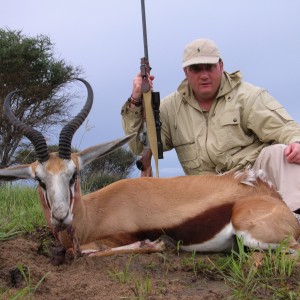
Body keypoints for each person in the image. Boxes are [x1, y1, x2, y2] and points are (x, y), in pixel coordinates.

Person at [121, 38, 300, 215]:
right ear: (185, 71)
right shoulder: (169, 108)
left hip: (251, 181)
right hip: (205, 194)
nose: (204, 75)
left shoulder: (248, 97)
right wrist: (136, 101)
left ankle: (295, 220)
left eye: (209, 67)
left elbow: (287, 129)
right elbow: (139, 146)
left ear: (221, 66)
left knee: (281, 154)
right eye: (196, 69)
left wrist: (296, 142)